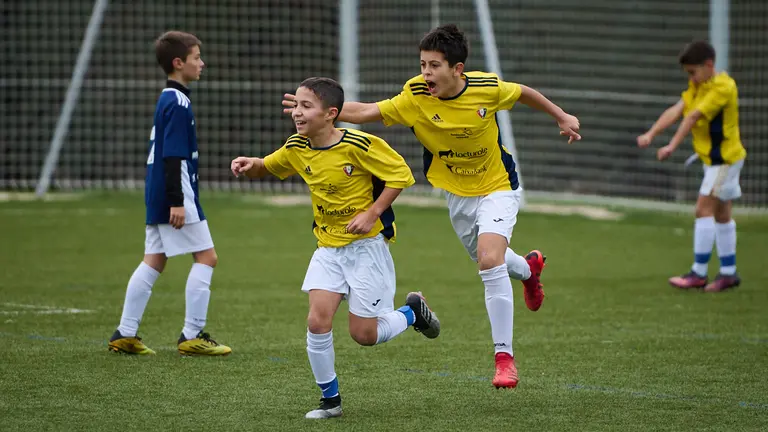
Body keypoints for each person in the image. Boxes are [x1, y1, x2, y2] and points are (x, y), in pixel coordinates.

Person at [282, 24, 581, 388]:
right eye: (423, 64)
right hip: (456, 194)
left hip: (499, 185)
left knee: (489, 261)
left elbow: (522, 93)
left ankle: (504, 358)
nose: (426, 73)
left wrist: (561, 116)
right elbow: (366, 112)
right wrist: (317, 110)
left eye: (434, 65)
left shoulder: (485, 88)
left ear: (457, 69)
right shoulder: (415, 95)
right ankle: (529, 270)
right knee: (491, 257)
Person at [232, 77, 440, 419]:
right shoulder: (297, 147)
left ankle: (412, 313)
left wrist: (371, 213)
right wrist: (250, 164)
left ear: (331, 114)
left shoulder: (359, 144)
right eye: (296, 106)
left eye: (306, 106)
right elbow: (269, 166)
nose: (297, 113)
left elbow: (401, 175)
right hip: (328, 249)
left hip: (367, 249)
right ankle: (330, 401)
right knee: (317, 322)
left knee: (364, 335)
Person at [108, 31, 231, 356]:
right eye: (196, 58)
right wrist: (177, 201)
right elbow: (173, 156)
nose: (202, 63)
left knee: (154, 260)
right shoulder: (177, 102)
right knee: (207, 257)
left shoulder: (168, 98)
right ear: (178, 63)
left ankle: (125, 332)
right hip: (175, 192)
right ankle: (192, 334)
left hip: (158, 191)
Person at [637, 40, 744, 292]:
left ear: (709, 65)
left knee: (702, 210)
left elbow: (694, 116)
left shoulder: (723, 87)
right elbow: (678, 110)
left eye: (693, 72)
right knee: (722, 215)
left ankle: (698, 273)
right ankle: (729, 273)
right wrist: (651, 133)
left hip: (724, 161)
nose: (691, 79)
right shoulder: (699, 86)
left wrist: (671, 145)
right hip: (715, 162)